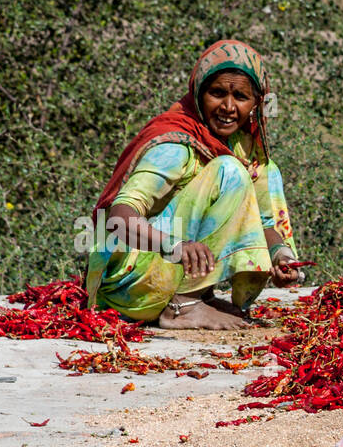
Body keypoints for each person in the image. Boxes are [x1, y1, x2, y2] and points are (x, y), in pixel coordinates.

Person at [86, 39, 303, 330]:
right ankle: (183, 305)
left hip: (159, 276)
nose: (228, 107)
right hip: (126, 285)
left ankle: (198, 295)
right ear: (199, 94)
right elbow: (118, 219)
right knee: (230, 171)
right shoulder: (177, 144)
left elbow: (261, 222)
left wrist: (280, 255)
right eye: (216, 93)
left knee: (266, 170)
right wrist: (173, 246)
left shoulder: (244, 148)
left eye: (240, 96)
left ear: (256, 103)